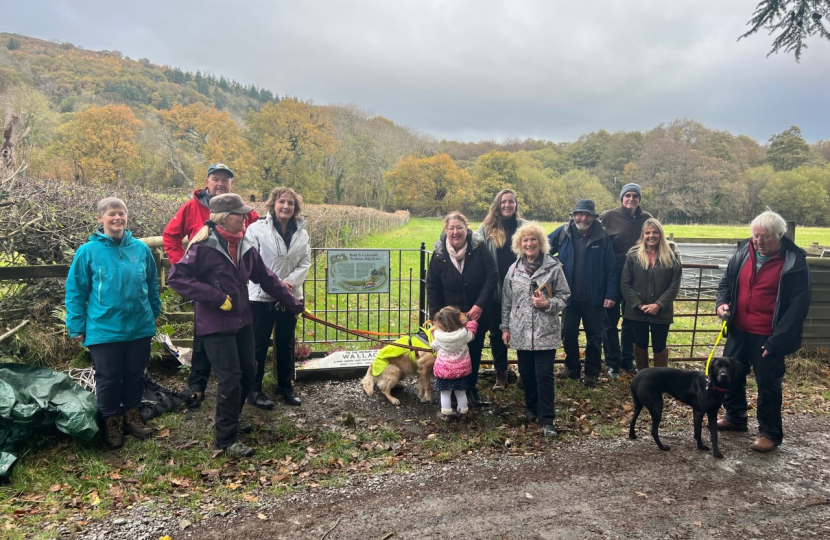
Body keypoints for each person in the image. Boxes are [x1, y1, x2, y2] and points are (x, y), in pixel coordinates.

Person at [167, 193, 303, 458]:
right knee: (230, 379)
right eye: (238, 215)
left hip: (242, 320)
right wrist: (216, 297)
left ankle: (232, 418)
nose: (244, 219)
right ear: (222, 218)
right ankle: (225, 440)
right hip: (215, 325)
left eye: (244, 214)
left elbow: (267, 278)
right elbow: (177, 278)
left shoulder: (244, 245)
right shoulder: (203, 247)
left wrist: (294, 303)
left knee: (250, 372)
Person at [65, 197, 160, 449]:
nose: (117, 218)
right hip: (104, 327)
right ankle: (111, 421)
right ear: (100, 219)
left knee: (135, 374)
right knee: (109, 377)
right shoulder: (88, 252)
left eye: (121, 214)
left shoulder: (140, 249)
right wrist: (76, 325)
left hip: (139, 325)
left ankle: (133, 416)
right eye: (111, 214)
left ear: (127, 217)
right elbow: (76, 290)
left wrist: (155, 311)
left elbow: (152, 284)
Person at [162, 164, 259, 407]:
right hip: (203, 283)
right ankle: (198, 384)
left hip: (232, 283)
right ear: (207, 181)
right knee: (204, 334)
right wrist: (180, 263)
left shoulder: (241, 210)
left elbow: (256, 234)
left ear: (231, 184)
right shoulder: (192, 207)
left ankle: (228, 387)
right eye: (216, 179)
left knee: (224, 339)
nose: (220, 183)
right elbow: (170, 236)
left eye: (225, 180)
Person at [715, 210, 811, 453]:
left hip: (769, 334)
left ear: (779, 235)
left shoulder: (793, 262)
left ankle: (769, 432)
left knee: (768, 383)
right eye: (755, 237)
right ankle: (735, 417)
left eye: (764, 237)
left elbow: (798, 307)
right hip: (738, 328)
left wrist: (777, 341)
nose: (758, 242)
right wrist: (722, 303)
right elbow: (725, 284)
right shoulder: (742, 254)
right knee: (731, 374)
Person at [501, 223, 570, 438]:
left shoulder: (553, 267)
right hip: (520, 331)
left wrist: (548, 304)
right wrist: (505, 328)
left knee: (544, 375)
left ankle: (547, 419)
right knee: (527, 373)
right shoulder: (513, 270)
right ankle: (531, 409)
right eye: (525, 240)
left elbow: (565, 296)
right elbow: (506, 301)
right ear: (519, 244)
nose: (529, 244)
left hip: (544, 331)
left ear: (541, 243)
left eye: (533, 240)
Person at [245, 187, 311, 409]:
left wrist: (288, 284)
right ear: (273, 204)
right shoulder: (255, 229)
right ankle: (253, 389)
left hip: (291, 296)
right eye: (282, 201)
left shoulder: (302, 233)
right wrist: (276, 284)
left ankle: (285, 385)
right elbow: (252, 260)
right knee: (259, 345)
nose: (286, 207)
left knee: (285, 344)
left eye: (290, 203)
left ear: (296, 208)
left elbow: (305, 262)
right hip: (261, 297)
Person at [427, 212, 498, 407]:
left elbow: (492, 276)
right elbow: (432, 285)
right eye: (451, 228)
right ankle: (449, 390)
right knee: (449, 354)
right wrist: (437, 317)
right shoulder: (439, 253)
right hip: (449, 318)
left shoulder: (479, 248)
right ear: (446, 230)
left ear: (466, 229)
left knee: (473, 352)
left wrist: (480, 304)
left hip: (476, 313)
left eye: (459, 227)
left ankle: (469, 388)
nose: (456, 232)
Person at [548, 199, 618, 388]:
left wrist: (611, 294)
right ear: (573, 215)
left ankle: (592, 372)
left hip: (594, 299)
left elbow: (611, 268)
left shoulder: (602, 236)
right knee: (568, 334)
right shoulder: (563, 233)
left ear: (594, 217)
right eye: (579, 214)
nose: (583, 218)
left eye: (587, 214)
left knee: (594, 337)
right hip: (568, 298)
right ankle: (572, 368)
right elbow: (542, 248)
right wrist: (552, 266)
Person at [599, 183, 653, 379]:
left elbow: (656, 239)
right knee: (609, 321)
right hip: (612, 276)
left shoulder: (646, 219)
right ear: (622, 198)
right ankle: (612, 362)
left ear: (639, 199)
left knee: (631, 320)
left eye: (635, 196)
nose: (631, 199)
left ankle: (627, 359)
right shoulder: (608, 216)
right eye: (627, 195)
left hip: (637, 278)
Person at [476, 189, 527, 391]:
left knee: (524, 331)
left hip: (521, 289)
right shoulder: (486, 228)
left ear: (516, 205)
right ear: (497, 204)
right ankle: (501, 374)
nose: (507, 205)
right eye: (503, 202)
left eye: (511, 202)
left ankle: (525, 373)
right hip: (496, 290)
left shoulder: (524, 227)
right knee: (497, 333)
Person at [619, 218, 682, 369]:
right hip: (637, 311)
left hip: (661, 311)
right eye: (647, 233)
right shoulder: (633, 256)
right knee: (640, 344)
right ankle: (643, 378)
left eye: (655, 232)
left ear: (660, 234)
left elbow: (675, 285)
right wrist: (638, 304)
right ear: (643, 235)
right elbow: (625, 283)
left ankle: (660, 378)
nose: (651, 236)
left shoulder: (672, 256)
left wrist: (659, 304)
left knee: (659, 345)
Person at [431, 306, 478, 421]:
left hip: (444, 371)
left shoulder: (438, 337)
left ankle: (446, 413)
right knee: (461, 392)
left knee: (445, 393)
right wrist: (473, 323)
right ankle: (463, 412)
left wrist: (433, 337)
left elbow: (433, 347)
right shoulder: (463, 335)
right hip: (461, 371)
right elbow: (472, 334)